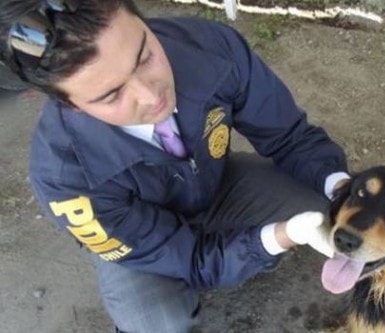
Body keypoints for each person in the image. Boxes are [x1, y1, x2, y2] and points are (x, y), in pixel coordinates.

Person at [0, 0, 350, 332]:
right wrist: (276, 239)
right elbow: (190, 259)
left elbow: (289, 135)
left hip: (221, 185)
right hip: (143, 244)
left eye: (144, 56)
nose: (152, 96)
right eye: (111, 95)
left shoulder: (210, 47)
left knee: (338, 215)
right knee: (154, 322)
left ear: (141, 20)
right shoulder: (65, 181)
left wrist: (341, 188)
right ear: (68, 104)